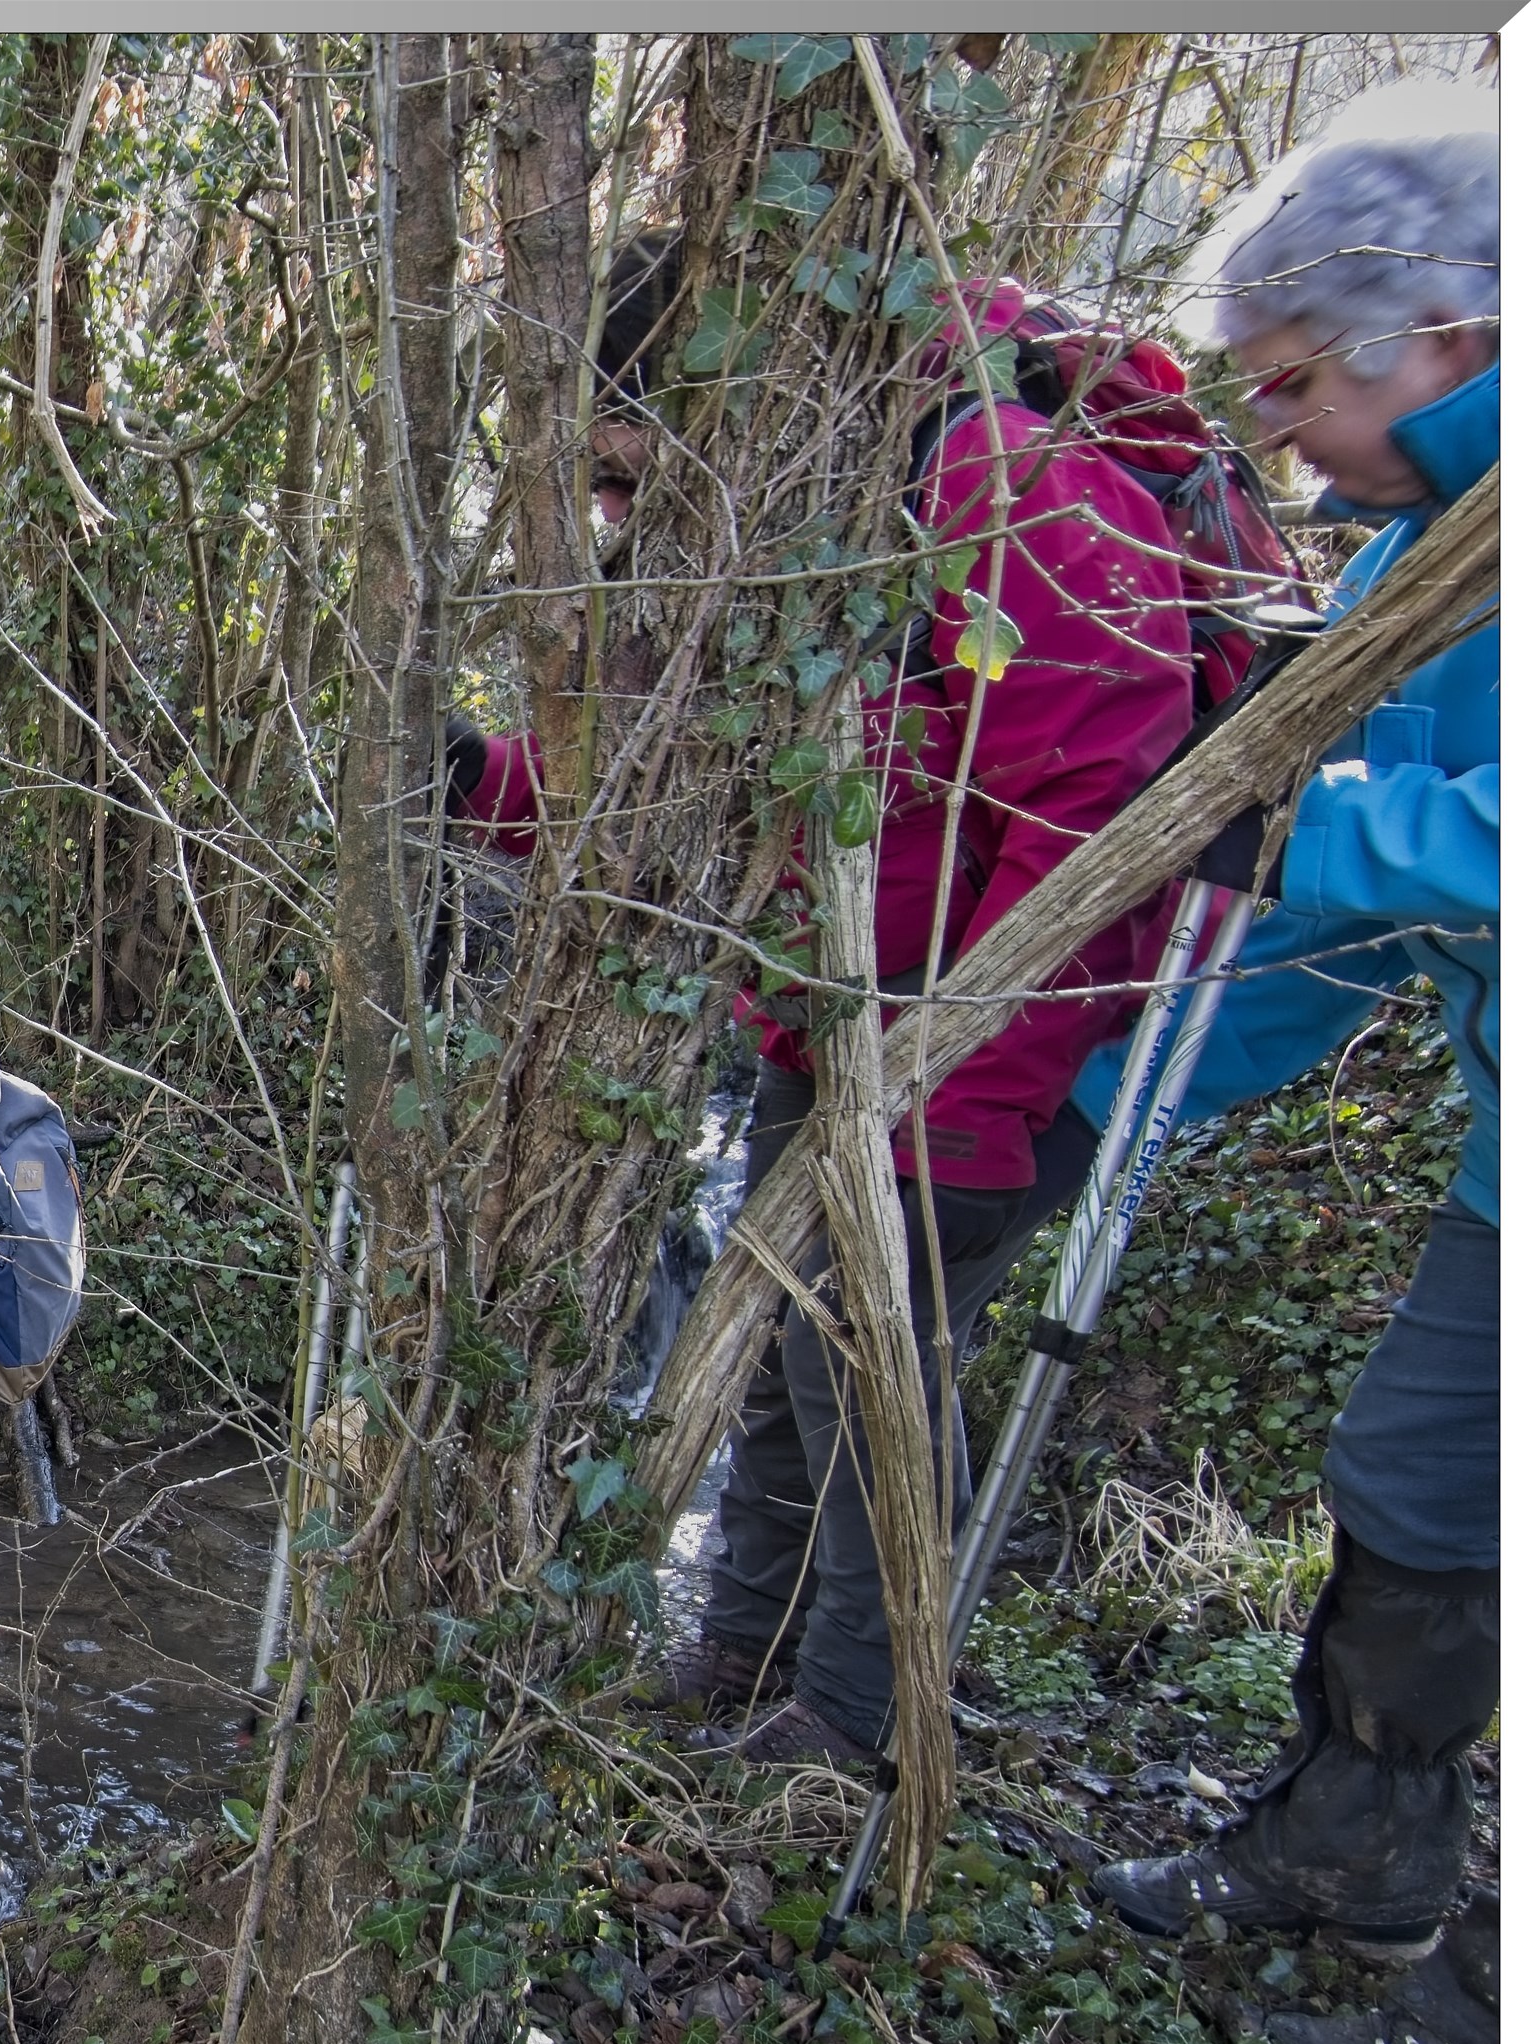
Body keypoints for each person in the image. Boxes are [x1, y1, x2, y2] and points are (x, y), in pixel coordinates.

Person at [460, 238, 1204, 1770]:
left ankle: (855, 1725)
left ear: (700, 393)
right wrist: (483, 784)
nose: (610, 511)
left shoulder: (998, 483)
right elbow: (675, 768)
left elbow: (1104, 819)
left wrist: (962, 1085)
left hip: (976, 1043)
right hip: (843, 1020)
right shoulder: (791, 516)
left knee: (870, 1370)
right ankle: (744, 1648)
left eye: (615, 465)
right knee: (794, 1355)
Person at [1083, 122, 1498, 1972]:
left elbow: (1384, 844)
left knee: (1421, 1473)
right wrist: (1109, 1084)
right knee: (1413, 1473)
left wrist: (1309, 822)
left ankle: (1404, 1917)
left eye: (1301, 384)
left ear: (1454, 335)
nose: (1281, 434)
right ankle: (1359, 1856)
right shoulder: (1409, 570)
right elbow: (1335, 930)